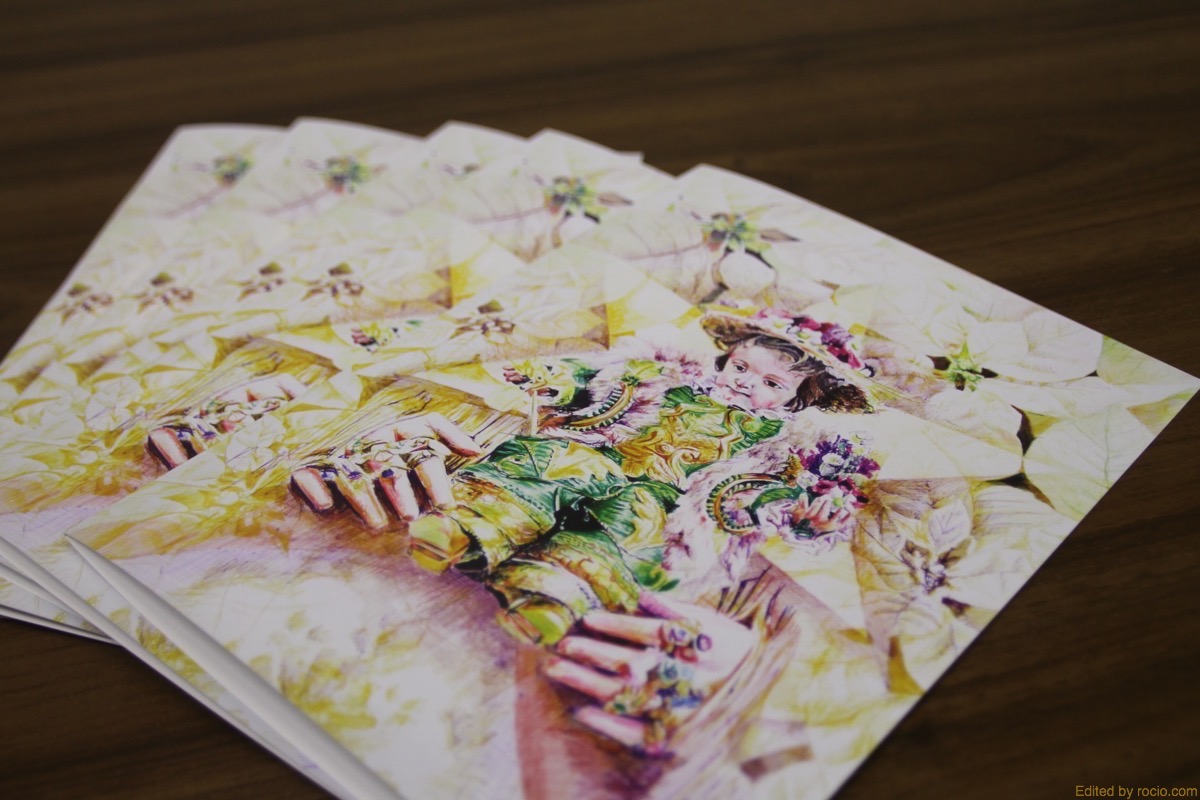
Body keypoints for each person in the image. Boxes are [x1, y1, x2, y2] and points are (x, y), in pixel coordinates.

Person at [288, 307, 881, 755]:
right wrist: (553, 383)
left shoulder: (773, 444)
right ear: (725, 357)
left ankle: (552, 594)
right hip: (598, 452)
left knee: (633, 528)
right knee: (554, 464)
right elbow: (594, 389)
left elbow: (753, 495)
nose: (747, 383)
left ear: (798, 401)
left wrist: (797, 510)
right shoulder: (666, 380)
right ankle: (465, 525)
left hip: (661, 495)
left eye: (772, 384)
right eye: (742, 366)